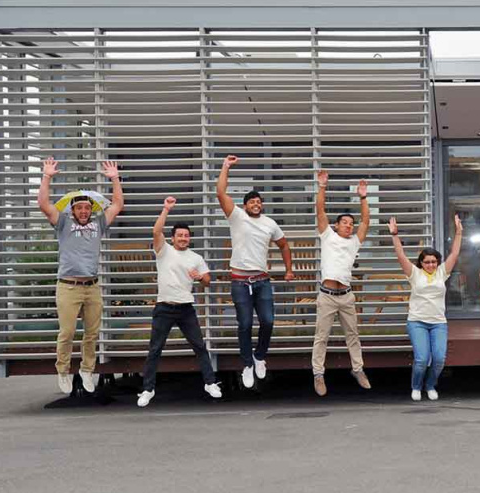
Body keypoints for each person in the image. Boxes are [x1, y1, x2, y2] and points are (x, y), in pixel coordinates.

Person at [37, 157, 124, 395]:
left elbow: (117, 205)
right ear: (73, 209)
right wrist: (46, 176)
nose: (84, 211)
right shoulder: (63, 223)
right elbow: (43, 204)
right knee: (66, 333)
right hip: (68, 286)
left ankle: (87, 370)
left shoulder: (98, 223)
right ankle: (63, 371)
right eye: (79, 208)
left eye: (87, 207)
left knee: (92, 333)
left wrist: (115, 179)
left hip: (92, 287)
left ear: (91, 209)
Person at [217, 155, 295, 389]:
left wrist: (289, 269)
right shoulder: (237, 217)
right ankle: (247, 364)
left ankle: (259, 356)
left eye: (259, 201)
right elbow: (221, 193)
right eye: (252, 201)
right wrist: (226, 167)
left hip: (262, 281)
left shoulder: (270, 223)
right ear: (244, 205)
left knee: (268, 321)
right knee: (243, 325)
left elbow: (283, 244)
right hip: (240, 281)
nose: (256, 204)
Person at [138, 197, 222, 407]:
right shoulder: (164, 251)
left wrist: (199, 277)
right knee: (155, 349)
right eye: (180, 235)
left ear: (189, 238)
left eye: (186, 236)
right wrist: (166, 209)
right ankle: (148, 389)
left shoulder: (196, 257)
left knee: (200, 347)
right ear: (173, 238)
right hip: (164, 307)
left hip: (186, 308)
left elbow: (208, 281)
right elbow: (157, 232)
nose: (183, 238)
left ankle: (210, 383)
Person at [310, 172, 373, 396]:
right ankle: (318, 374)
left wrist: (363, 198)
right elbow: (320, 211)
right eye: (344, 223)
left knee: (353, 334)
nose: (348, 226)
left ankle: (358, 369)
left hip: (346, 296)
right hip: (327, 295)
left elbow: (366, 221)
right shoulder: (327, 236)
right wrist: (322, 187)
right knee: (322, 336)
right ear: (336, 226)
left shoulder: (355, 242)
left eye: (350, 223)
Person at [391, 214, 463, 401]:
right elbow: (400, 255)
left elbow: (454, 254)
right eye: (427, 262)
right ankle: (416, 386)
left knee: (439, 359)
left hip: (438, 322)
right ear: (421, 263)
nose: (431, 264)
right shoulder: (414, 273)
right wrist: (395, 235)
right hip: (417, 322)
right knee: (422, 358)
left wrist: (459, 233)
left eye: (433, 261)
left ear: (437, 262)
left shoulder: (441, 273)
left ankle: (430, 385)